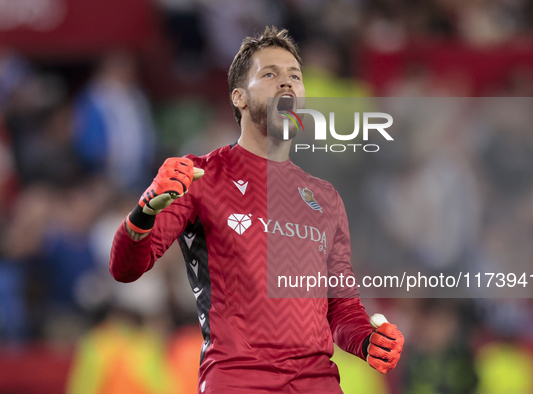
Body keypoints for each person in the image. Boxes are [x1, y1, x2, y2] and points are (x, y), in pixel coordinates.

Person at [110, 26, 404, 393]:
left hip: (319, 383)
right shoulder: (200, 176)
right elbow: (124, 267)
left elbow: (341, 309)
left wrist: (367, 340)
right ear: (239, 98)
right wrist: (145, 210)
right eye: (270, 74)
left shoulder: (325, 198)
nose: (287, 84)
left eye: (295, 77)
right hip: (238, 380)